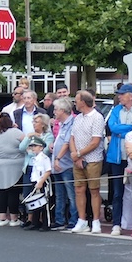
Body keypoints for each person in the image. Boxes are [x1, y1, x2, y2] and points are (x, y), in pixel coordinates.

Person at [106, 83, 132, 235]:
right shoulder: (115, 110)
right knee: (117, 192)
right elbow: (112, 128)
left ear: (131, 96)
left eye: (122, 94)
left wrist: (123, 129)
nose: (119, 96)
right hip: (117, 157)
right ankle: (116, 223)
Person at [69, 90, 106, 234]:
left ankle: (96, 221)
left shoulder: (97, 117)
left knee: (94, 190)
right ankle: (82, 220)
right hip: (78, 160)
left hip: (93, 160)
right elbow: (72, 138)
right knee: (79, 190)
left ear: (83, 102)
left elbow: (95, 141)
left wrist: (79, 154)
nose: (75, 103)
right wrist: (75, 155)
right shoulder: (77, 118)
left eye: (76, 100)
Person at [0, 112, 25, 226]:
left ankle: (2, 218)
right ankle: (14, 218)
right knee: (13, 192)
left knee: (1, 191)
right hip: (14, 165)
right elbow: (26, 141)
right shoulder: (16, 132)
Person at [50, 97, 77, 230]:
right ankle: (59, 219)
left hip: (66, 164)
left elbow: (67, 143)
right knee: (59, 194)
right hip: (59, 164)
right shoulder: (60, 124)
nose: (54, 112)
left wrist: (57, 158)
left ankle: (74, 219)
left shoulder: (71, 123)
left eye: (56, 109)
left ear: (62, 110)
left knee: (71, 194)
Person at [24, 135, 53, 231]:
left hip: (42, 183)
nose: (33, 148)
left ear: (41, 147)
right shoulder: (35, 159)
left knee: (44, 204)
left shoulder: (44, 158)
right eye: (32, 146)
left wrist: (41, 182)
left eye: (35, 146)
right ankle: (35, 222)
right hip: (35, 182)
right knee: (35, 203)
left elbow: (48, 171)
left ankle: (46, 223)